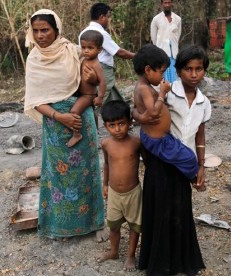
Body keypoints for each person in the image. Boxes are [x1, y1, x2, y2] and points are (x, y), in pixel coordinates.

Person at [24, 9, 107, 240]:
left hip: (81, 120)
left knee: (87, 173)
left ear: (57, 30)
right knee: (58, 178)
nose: (40, 35)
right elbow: (34, 99)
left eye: (45, 30)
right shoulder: (34, 60)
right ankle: (61, 226)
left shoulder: (74, 51)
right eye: (36, 31)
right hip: (55, 125)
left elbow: (93, 79)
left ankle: (96, 223)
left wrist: (92, 82)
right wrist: (60, 117)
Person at [135, 45, 209, 275]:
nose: (194, 74)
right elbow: (144, 115)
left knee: (180, 210)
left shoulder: (204, 102)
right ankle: (158, 262)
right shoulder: (164, 91)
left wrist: (201, 164)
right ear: (177, 71)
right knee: (159, 209)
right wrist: (136, 117)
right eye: (188, 69)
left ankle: (181, 260)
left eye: (199, 69)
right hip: (161, 160)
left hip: (181, 159)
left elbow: (200, 134)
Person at [132, 44, 199, 181]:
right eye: (161, 72)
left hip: (156, 137)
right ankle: (193, 179)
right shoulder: (144, 89)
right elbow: (154, 112)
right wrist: (162, 93)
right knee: (190, 158)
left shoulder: (141, 87)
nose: (162, 76)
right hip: (159, 141)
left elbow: (138, 108)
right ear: (148, 70)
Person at [98, 100, 142, 271]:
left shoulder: (137, 142)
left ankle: (131, 256)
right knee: (113, 226)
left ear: (130, 122)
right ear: (105, 126)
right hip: (114, 193)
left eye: (121, 124)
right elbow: (107, 164)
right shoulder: (106, 144)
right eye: (112, 125)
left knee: (134, 226)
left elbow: (147, 161)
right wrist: (105, 184)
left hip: (133, 193)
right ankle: (114, 251)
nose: (117, 129)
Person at [79, 3, 135, 104]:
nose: (108, 21)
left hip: (87, 68)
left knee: (114, 101)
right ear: (102, 17)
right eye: (108, 17)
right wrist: (138, 56)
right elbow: (119, 52)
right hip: (102, 69)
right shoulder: (100, 33)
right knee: (100, 99)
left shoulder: (84, 32)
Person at [67, 30, 107, 147]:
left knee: (74, 112)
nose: (86, 51)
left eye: (90, 48)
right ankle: (94, 134)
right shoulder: (84, 60)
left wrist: (100, 97)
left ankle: (76, 134)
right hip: (81, 93)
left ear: (99, 50)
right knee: (91, 115)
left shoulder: (95, 64)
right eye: (83, 47)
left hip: (88, 96)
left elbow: (103, 82)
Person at [150, 0, 181, 83]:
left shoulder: (177, 19)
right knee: (163, 74)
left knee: (174, 74)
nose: (167, 5)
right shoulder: (156, 19)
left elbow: (178, 35)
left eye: (169, 2)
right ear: (161, 4)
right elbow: (153, 37)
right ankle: (164, 93)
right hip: (162, 52)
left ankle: (174, 91)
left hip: (173, 53)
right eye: (165, 3)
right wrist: (158, 49)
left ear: (171, 4)